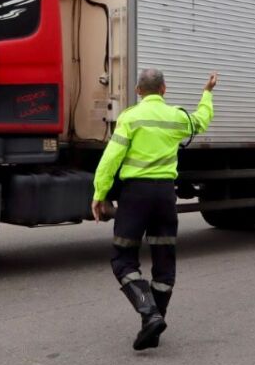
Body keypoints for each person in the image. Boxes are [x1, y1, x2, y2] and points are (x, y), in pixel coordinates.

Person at [92, 68, 218, 350]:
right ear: (164, 89)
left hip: (135, 197)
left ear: (138, 91)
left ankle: (150, 315)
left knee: (123, 259)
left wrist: (100, 193)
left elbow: (111, 159)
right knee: (164, 263)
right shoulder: (176, 117)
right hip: (164, 197)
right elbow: (201, 121)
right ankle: (153, 324)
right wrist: (207, 94)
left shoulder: (130, 118)